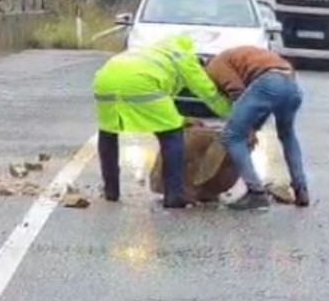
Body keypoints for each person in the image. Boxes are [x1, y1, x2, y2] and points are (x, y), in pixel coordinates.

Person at [92, 34, 232, 208]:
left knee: (108, 132)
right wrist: (234, 114)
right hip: (141, 83)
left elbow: (162, 104)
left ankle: (111, 190)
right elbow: (208, 93)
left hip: (105, 80)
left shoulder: (154, 51)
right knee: (172, 133)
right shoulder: (185, 57)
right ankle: (174, 195)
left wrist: (183, 118)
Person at [204, 46, 309, 210]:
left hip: (268, 82)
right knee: (287, 135)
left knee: (231, 136)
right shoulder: (239, 56)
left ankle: (256, 193)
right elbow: (261, 104)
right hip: (291, 84)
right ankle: (301, 188)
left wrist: (243, 126)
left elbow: (237, 91)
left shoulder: (214, 66)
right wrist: (252, 127)